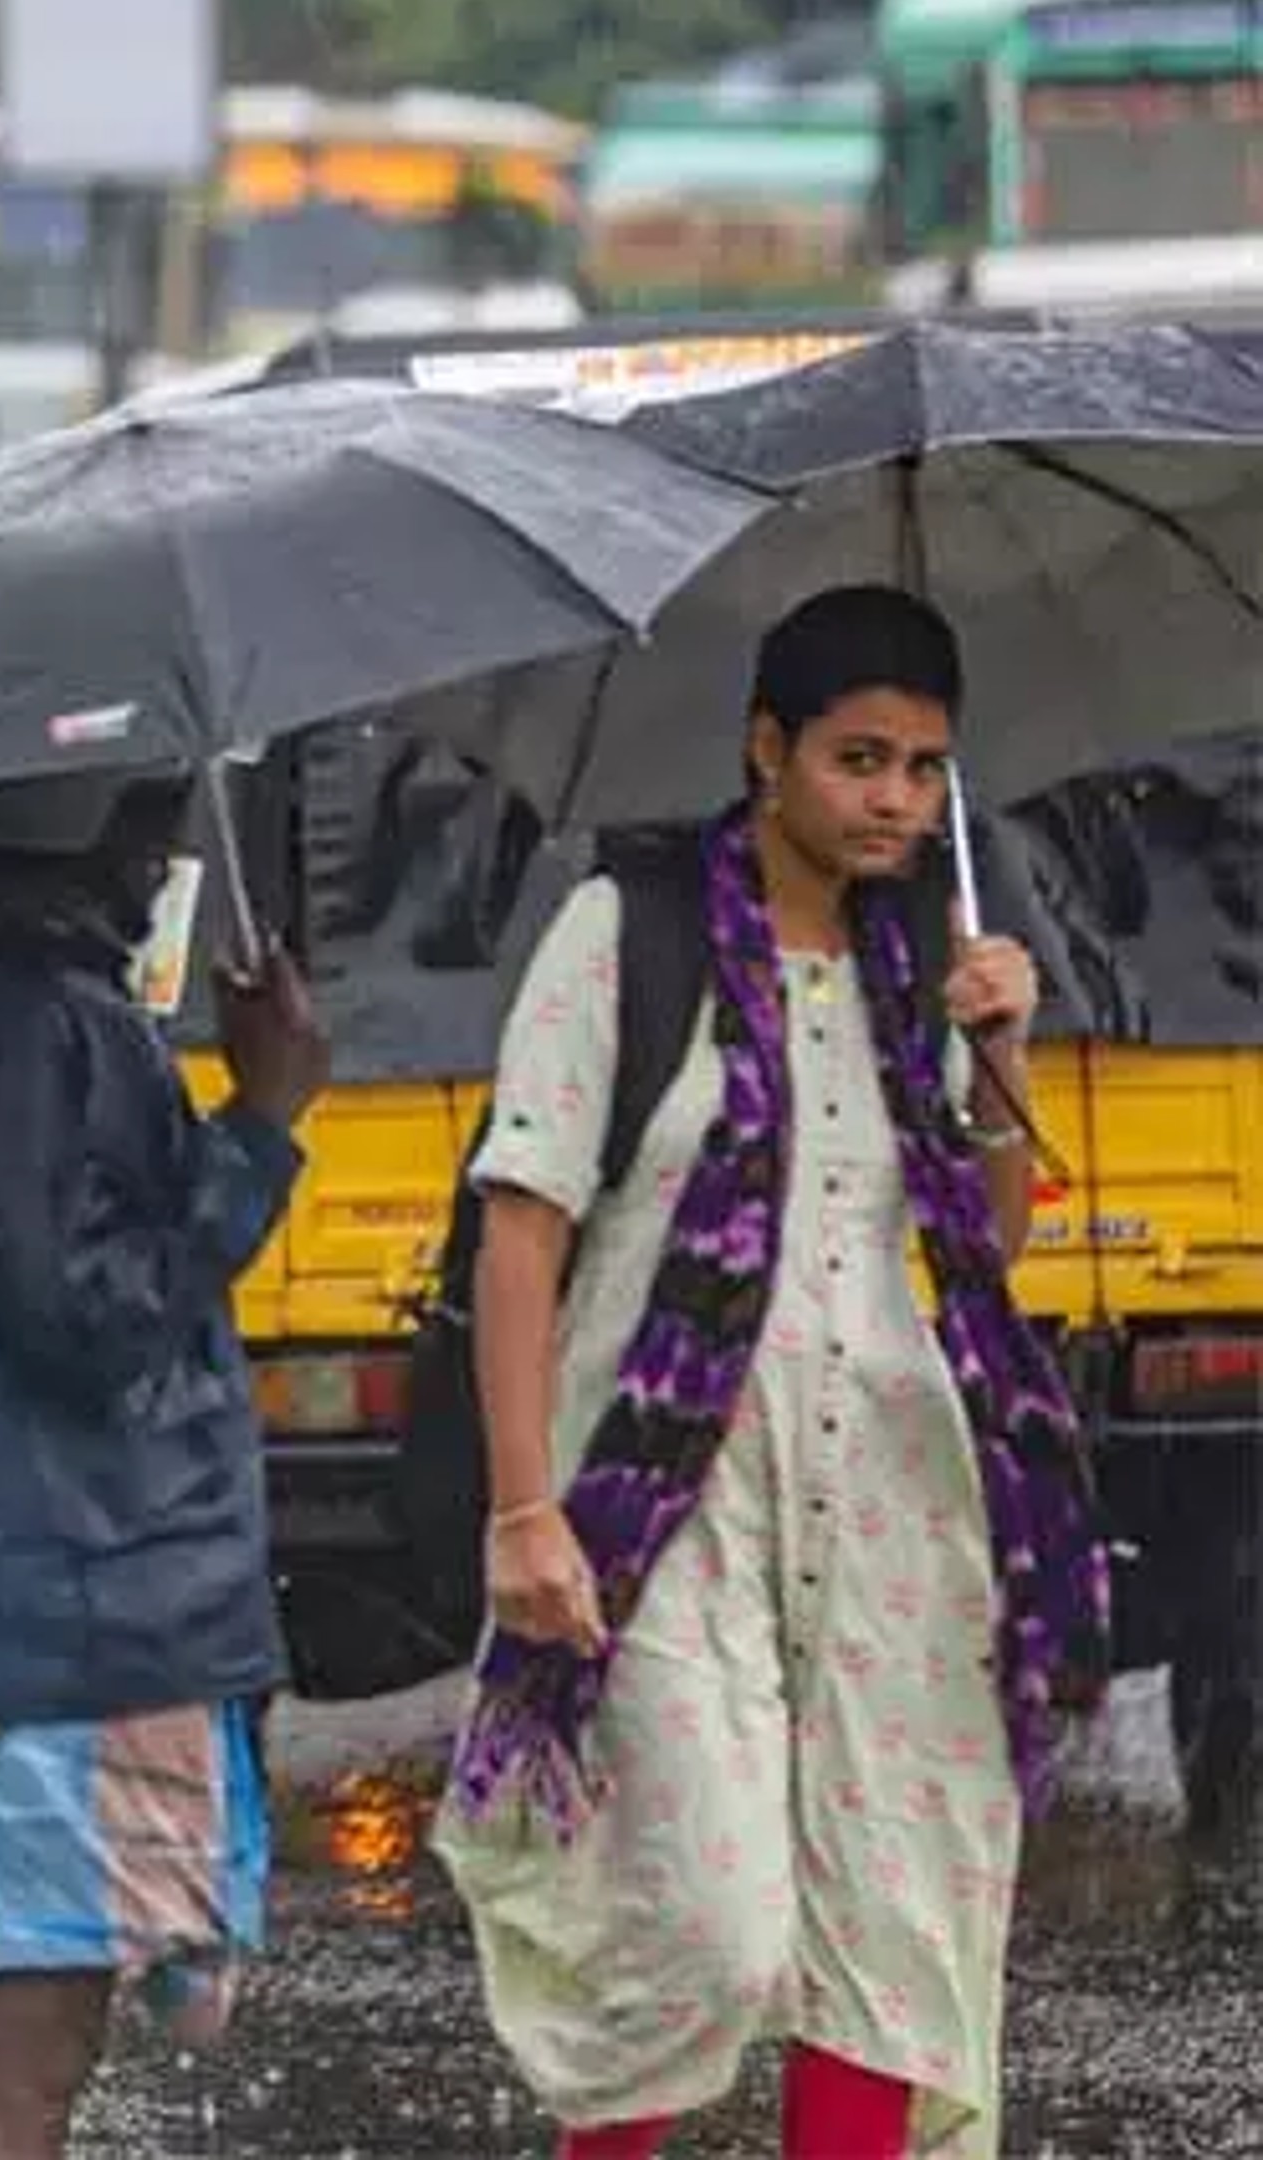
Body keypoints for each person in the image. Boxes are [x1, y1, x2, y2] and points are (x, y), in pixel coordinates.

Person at [434, 588, 1111, 2160]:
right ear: (765, 750)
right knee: (707, 1934)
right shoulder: (629, 934)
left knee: (888, 1938)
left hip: (893, 1501)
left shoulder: (923, 966)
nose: (894, 799)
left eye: (926, 768)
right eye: (858, 759)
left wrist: (1002, 1056)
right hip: (668, 1516)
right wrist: (524, 1511)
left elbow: (978, 1242)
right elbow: (521, 1230)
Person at [0, 767, 328, 2160]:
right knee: (25, 2037)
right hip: (69, 1606)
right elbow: (95, 1318)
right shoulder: (29, 1021)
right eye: (151, 824)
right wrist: (261, 1124)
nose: (166, 864)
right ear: (80, 831)